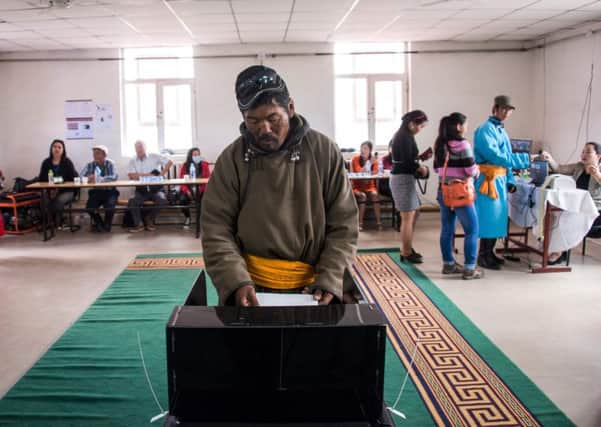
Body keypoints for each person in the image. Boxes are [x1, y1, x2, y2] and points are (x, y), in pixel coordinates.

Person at [201, 65, 358, 307]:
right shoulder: (231, 159)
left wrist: (331, 275)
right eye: (253, 121)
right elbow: (216, 228)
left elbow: (344, 224)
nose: (264, 129)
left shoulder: (324, 151)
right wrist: (235, 280)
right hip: (252, 286)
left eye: (273, 118)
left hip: (316, 284)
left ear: (291, 108)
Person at [474, 95, 530, 269]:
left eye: (509, 110)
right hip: (487, 181)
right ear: (495, 108)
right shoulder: (485, 129)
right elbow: (495, 156)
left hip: (499, 179)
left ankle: (490, 252)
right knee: (488, 218)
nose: (507, 113)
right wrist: (526, 159)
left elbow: (505, 158)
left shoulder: (502, 131)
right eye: (504, 109)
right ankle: (482, 255)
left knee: (497, 219)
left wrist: (510, 179)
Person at [433, 113, 482, 280]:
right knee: (472, 229)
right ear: (459, 126)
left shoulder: (440, 144)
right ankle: (469, 268)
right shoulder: (462, 145)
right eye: (465, 124)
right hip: (460, 193)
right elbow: (470, 170)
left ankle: (448, 265)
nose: (466, 127)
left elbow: (435, 169)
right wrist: (477, 171)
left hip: (443, 190)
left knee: (447, 229)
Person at [541, 141, 601, 264]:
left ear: (598, 156)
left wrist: (597, 175)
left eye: (588, 152)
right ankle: (551, 247)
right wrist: (549, 158)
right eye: (583, 152)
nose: (584, 154)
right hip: (576, 205)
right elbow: (559, 168)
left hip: (594, 210)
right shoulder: (579, 167)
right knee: (553, 214)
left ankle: (559, 252)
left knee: (567, 218)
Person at [389, 110, 429, 263]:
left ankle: (407, 246)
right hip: (402, 179)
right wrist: (420, 168)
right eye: (420, 126)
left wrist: (418, 162)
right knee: (407, 217)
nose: (421, 129)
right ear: (412, 124)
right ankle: (406, 252)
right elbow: (406, 162)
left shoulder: (404, 135)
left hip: (404, 178)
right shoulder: (404, 137)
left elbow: (406, 159)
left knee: (415, 212)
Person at [127, 140, 173, 233]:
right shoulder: (132, 160)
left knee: (162, 200)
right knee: (132, 201)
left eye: (141, 147)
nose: (139, 149)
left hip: (156, 188)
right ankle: (139, 224)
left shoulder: (154, 156)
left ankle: (149, 219)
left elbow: (170, 162)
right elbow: (131, 175)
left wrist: (161, 174)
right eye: (137, 147)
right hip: (141, 189)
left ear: (145, 147)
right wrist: (149, 175)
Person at [37, 139, 78, 229]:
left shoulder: (67, 162)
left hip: (67, 191)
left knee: (58, 200)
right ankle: (49, 222)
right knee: (44, 200)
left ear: (63, 150)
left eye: (59, 147)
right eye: (54, 147)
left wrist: (59, 188)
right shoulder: (46, 162)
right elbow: (41, 179)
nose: (57, 149)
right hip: (50, 190)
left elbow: (74, 178)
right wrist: (51, 190)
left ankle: (57, 222)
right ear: (51, 149)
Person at [80, 145, 119, 232]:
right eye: (94, 154)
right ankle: (99, 222)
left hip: (110, 191)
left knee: (110, 206)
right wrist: (88, 178)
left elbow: (114, 176)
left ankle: (107, 224)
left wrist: (100, 179)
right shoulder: (90, 165)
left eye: (97, 153)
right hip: (96, 191)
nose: (94, 156)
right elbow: (81, 177)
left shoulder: (110, 163)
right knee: (89, 207)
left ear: (104, 155)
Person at [350, 141, 382, 231]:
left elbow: (375, 173)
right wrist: (368, 164)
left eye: (365, 148)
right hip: (356, 187)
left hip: (369, 186)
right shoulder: (355, 159)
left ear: (370, 150)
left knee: (375, 195)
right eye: (361, 148)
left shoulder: (374, 161)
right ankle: (360, 223)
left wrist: (370, 167)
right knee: (363, 196)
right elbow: (359, 173)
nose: (362, 150)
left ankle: (379, 222)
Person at [177, 147, 211, 229]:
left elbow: (207, 179)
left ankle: (201, 220)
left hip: (201, 189)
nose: (197, 156)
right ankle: (188, 218)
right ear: (190, 156)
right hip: (188, 189)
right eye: (195, 155)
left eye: (198, 154)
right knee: (182, 200)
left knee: (205, 201)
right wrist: (187, 191)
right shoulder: (185, 165)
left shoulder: (204, 164)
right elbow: (182, 181)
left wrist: (200, 190)